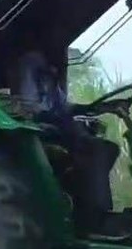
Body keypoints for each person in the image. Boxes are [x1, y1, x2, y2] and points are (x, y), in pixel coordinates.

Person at [12, 49, 125, 239]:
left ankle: (86, 209)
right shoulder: (31, 65)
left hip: (56, 128)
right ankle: (95, 220)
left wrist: (104, 107)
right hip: (43, 132)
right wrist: (63, 123)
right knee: (95, 150)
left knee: (108, 148)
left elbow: (65, 107)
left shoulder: (49, 75)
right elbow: (30, 107)